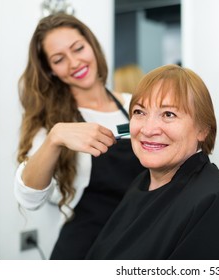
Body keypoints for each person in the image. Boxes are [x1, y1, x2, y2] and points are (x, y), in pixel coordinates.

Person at [86, 64, 219, 260]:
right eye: (139, 112)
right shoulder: (142, 183)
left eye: (168, 114)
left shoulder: (214, 203)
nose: (148, 129)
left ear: (203, 129)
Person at [14, 13, 145, 259]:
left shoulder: (132, 106)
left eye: (78, 48)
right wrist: (55, 138)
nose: (74, 62)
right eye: (59, 59)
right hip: (85, 250)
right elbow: (29, 198)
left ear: (92, 46)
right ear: (50, 70)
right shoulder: (51, 124)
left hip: (139, 242)